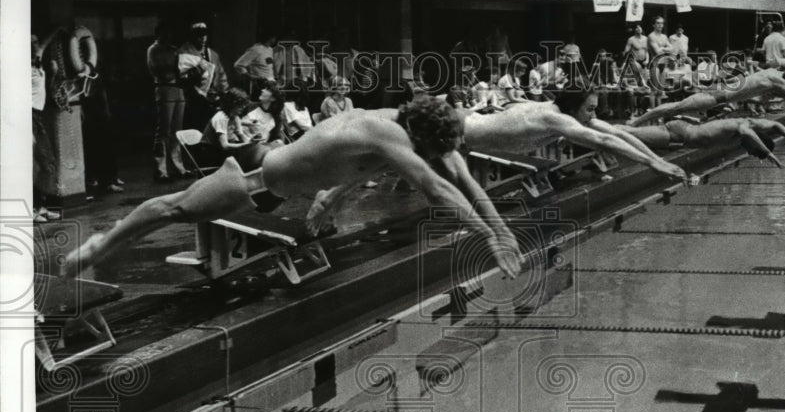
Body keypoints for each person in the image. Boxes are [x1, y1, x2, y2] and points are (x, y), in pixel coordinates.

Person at [64, 96, 523, 278]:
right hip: (254, 175)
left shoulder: (399, 129)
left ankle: (105, 243)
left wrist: (501, 232)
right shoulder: (391, 136)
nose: (441, 160)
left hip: (284, 186)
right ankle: (102, 243)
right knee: (173, 210)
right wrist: (490, 237)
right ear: (424, 139)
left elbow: (462, 179)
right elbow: (440, 190)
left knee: (177, 209)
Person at [454, 87, 688, 183]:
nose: (594, 115)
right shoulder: (556, 118)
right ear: (574, 107)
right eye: (590, 109)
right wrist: (651, 163)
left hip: (466, 131)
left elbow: (617, 133)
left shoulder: (565, 111)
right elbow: (604, 141)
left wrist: (658, 161)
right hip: (456, 126)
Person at [626, 61, 785, 125]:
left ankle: (642, 119)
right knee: (677, 107)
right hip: (718, 95)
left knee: (682, 109)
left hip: (724, 92)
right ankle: (638, 120)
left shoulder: (775, 73)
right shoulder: (778, 82)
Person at [619, 116, 785, 168]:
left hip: (680, 140)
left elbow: (775, 123)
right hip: (680, 133)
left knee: (630, 140)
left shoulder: (746, 131)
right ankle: (594, 128)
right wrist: (769, 154)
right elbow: (750, 133)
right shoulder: (744, 127)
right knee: (632, 133)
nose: (749, 153)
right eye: (753, 151)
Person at [147, 20, 191, 182]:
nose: (168, 36)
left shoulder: (175, 50)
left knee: (177, 131)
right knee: (164, 131)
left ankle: (179, 168)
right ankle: (161, 170)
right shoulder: (153, 50)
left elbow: (184, 69)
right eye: (164, 34)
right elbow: (158, 70)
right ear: (158, 34)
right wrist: (176, 71)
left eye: (169, 34)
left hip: (178, 90)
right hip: (164, 89)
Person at [178, 21, 229, 131]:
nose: (203, 39)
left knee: (209, 128)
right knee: (194, 128)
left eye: (204, 35)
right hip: (192, 99)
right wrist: (197, 71)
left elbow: (221, 75)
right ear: (192, 37)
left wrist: (224, 93)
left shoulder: (213, 54)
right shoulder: (184, 53)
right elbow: (181, 78)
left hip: (212, 100)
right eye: (199, 36)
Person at [31, 33, 60, 223]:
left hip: (38, 116)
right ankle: (34, 208)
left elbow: (45, 41)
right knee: (42, 164)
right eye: (31, 43)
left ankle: (41, 206)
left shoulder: (38, 61)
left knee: (48, 164)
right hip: (29, 116)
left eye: (35, 42)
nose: (35, 45)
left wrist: (59, 29)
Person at [233, 33, 278, 97]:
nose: (275, 40)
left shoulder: (270, 49)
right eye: (274, 38)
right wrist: (251, 77)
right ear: (270, 38)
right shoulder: (255, 49)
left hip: (271, 84)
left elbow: (268, 65)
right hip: (259, 85)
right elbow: (238, 65)